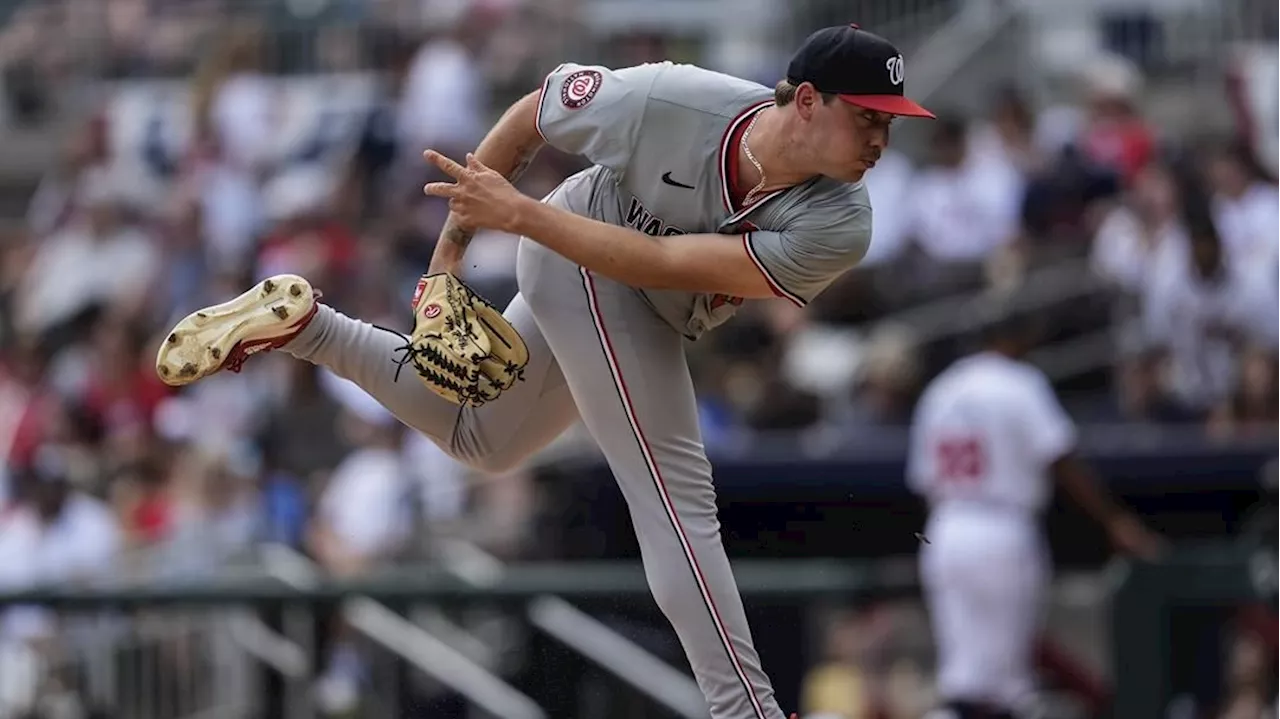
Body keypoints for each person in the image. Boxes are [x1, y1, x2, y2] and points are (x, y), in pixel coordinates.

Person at [156, 24, 934, 719]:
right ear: (805, 100)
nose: (880, 139)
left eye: (890, 122)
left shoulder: (842, 219)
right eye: (867, 116)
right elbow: (534, 114)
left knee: (482, 439)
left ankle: (309, 327)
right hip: (578, 251)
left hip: (623, 277)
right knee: (673, 491)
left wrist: (520, 217)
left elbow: (663, 261)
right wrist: (445, 265)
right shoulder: (671, 99)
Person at [907, 309, 1165, 719]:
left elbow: (924, 483)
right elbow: (1060, 457)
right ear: (1007, 338)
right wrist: (1114, 520)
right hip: (1002, 528)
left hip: (946, 530)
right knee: (1007, 685)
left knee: (962, 677)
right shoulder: (1019, 382)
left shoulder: (940, 390)